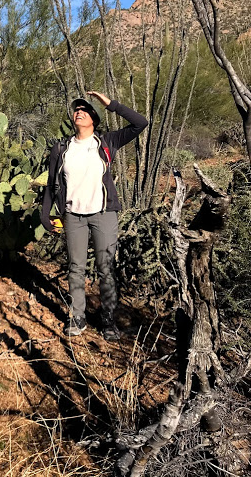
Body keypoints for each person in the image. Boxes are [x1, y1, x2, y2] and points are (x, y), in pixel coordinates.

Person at [40, 91, 148, 341]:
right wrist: (46, 215)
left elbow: (141, 123)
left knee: (105, 268)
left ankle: (108, 318)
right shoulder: (62, 148)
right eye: (77, 110)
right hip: (74, 216)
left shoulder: (107, 142)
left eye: (85, 110)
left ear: (94, 119)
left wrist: (110, 104)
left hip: (103, 213)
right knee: (76, 268)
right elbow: (51, 183)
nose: (79, 112)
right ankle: (78, 316)